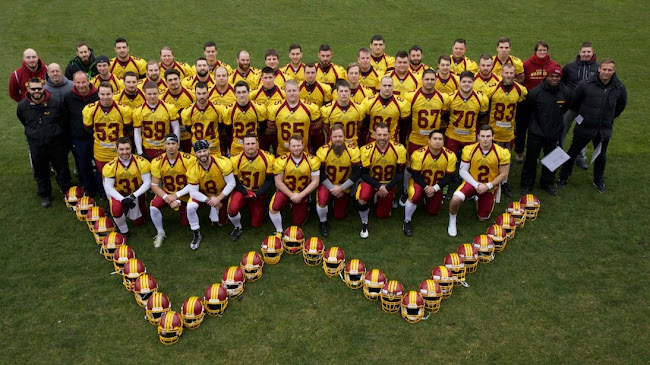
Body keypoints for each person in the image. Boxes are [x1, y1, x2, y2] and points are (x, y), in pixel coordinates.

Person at [558, 58, 627, 194]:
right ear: (599, 69)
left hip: (603, 129)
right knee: (573, 151)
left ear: (614, 71)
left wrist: (608, 118)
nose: (606, 72)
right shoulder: (585, 84)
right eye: (604, 69)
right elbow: (575, 103)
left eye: (610, 70)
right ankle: (563, 177)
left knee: (601, 155)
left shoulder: (619, 87)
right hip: (585, 126)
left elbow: (620, 106)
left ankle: (598, 180)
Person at [16, 78, 71, 207]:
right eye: (33, 89)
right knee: (40, 170)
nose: (36, 91)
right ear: (28, 90)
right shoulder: (23, 106)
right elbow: (23, 120)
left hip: (55, 143)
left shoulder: (55, 103)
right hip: (36, 145)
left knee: (61, 168)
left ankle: (66, 190)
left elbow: (63, 120)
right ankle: (45, 194)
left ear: (43, 88)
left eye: (39, 88)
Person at [448, 125, 510, 236]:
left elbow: (504, 174)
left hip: (489, 186)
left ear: (493, 137)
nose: (485, 139)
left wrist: (488, 186)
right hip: (472, 182)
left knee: (482, 218)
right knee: (456, 199)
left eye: (488, 136)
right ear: (478, 137)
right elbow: (462, 172)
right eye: (482, 136)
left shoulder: (502, 152)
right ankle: (452, 221)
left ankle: (478, 197)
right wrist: (477, 185)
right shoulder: (469, 149)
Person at [519, 66, 572, 196]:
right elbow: (527, 111)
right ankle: (527, 184)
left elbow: (566, 108)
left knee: (552, 161)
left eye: (557, 77)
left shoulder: (565, 92)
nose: (554, 79)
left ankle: (547, 183)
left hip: (554, 134)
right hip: (536, 133)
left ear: (560, 78)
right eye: (552, 76)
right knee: (531, 160)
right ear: (546, 77)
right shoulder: (535, 93)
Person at [401, 69, 450, 204]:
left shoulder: (442, 97)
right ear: (421, 80)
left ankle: (432, 190)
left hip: (435, 140)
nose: (429, 82)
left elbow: (444, 113)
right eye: (427, 79)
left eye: (432, 79)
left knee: (434, 166)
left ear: (436, 80)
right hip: (416, 137)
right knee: (410, 166)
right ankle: (406, 191)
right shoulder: (411, 96)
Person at [355, 123, 406, 238]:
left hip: (388, 183)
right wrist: (379, 186)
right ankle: (364, 223)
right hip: (371, 182)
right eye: (379, 134)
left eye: (384, 134)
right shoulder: (366, 150)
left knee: (382, 215)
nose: (382, 137)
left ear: (390, 134)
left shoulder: (399, 149)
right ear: (374, 134)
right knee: (363, 197)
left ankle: (386, 198)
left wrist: (386, 188)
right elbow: (364, 174)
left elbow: (400, 174)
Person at [484, 63, 528, 198]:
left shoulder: (520, 90)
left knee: (506, 159)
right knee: (491, 158)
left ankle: (504, 183)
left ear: (514, 74)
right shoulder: (492, 89)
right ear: (501, 73)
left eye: (511, 73)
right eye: (506, 73)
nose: (509, 75)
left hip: (508, 132)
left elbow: (522, 103)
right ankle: (491, 181)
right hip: (494, 131)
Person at [403, 130, 456, 236]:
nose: (437, 141)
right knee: (415, 195)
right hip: (420, 183)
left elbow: (449, 176)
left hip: (436, 185)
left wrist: (435, 188)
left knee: (433, 211)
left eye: (440, 139)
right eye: (435, 139)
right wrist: (427, 187)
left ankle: (426, 198)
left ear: (443, 141)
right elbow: (416, 175)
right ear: (429, 141)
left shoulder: (450, 155)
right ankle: (407, 221)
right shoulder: (419, 154)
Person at [149, 134, 197, 247]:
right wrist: (168, 199)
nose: (171, 146)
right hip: (167, 193)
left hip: (185, 193)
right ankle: (160, 232)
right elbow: (154, 185)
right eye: (168, 144)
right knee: (153, 206)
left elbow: (193, 183)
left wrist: (176, 195)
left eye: (173, 143)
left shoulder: (189, 160)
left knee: (185, 223)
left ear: (178, 144)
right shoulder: (157, 161)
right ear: (164, 145)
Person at [187, 140, 236, 250]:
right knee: (190, 206)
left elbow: (231, 183)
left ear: (209, 150)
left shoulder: (222, 163)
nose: (202, 154)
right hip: (205, 195)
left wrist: (218, 198)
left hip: (221, 194)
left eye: (204, 150)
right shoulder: (193, 169)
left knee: (222, 223)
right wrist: (210, 200)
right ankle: (196, 234)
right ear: (195, 154)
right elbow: (193, 192)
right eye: (199, 152)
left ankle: (218, 211)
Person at [516, 41, 560, 163]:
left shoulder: (553, 65)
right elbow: (520, 80)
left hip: (543, 104)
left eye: (544, 50)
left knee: (537, 129)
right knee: (521, 127)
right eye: (540, 50)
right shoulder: (526, 65)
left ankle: (534, 153)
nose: (542, 52)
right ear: (535, 51)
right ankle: (519, 151)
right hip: (526, 102)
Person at [268, 135, 321, 233]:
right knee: (274, 207)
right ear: (289, 147)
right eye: (293, 146)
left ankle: (305, 206)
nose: (296, 148)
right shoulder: (281, 161)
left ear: (303, 145)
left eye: (298, 145)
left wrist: (300, 195)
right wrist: (292, 195)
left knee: (298, 222)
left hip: (302, 192)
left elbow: (315, 182)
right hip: (286, 191)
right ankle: (279, 230)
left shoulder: (312, 160)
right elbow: (278, 182)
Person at [315, 124, 361, 236]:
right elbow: (319, 173)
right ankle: (323, 222)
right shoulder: (323, 151)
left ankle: (342, 199)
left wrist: (341, 188)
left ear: (344, 136)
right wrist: (332, 188)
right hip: (328, 185)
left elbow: (357, 173)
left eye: (340, 136)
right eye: (335, 137)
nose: (338, 139)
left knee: (339, 216)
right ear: (330, 137)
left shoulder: (353, 151)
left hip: (344, 186)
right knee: (322, 199)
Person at [228, 133, 275, 240]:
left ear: (258, 144)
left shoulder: (268, 158)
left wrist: (257, 193)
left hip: (258, 191)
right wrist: (245, 192)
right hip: (242, 189)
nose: (250, 146)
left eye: (253, 143)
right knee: (232, 209)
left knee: (256, 224)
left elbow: (269, 180)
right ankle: (237, 227)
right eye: (248, 144)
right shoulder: (235, 159)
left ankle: (263, 206)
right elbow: (234, 180)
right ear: (243, 145)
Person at [561, 42, 600, 170]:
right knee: (562, 130)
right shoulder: (569, 67)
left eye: (588, 52)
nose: (586, 54)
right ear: (579, 52)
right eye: (584, 52)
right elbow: (561, 82)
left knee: (582, 134)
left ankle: (580, 157)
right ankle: (559, 156)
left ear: (593, 52)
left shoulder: (598, 68)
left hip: (586, 109)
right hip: (570, 107)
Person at [102, 137, 151, 236]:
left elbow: (147, 183)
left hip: (136, 193)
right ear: (117, 150)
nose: (125, 152)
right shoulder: (111, 166)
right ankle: (124, 231)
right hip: (119, 193)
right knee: (116, 209)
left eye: (127, 149)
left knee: (140, 221)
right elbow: (108, 187)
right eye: (121, 149)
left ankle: (129, 210)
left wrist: (133, 196)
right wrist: (122, 199)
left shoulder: (141, 162)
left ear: (131, 148)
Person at [83, 82, 133, 178]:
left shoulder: (123, 109)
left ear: (113, 93)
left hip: (119, 151)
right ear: (98, 94)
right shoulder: (90, 109)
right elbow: (88, 129)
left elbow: (128, 129)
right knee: (104, 177)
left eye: (108, 94)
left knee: (122, 175)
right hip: (101, 151)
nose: (105, 97)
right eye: (102, 94)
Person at [63, 71, 100, 197]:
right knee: (83, 165)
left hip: (96, 137)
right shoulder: (68, 97)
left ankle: (102, 190)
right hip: (79, 138)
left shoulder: (98, 95)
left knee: (99, 165)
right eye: (78, 82)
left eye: (83, 82)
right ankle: (89, 189)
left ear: (88, 81)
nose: (81, 85)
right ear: (73, 82)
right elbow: (65, 118)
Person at [267, 80, 321, 155]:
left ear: (299, 90)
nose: (292, 93)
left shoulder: (310, 107)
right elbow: (272, 127)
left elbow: (316, 127)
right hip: (282, 151)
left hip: (303, 151)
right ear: (285, 91)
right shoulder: (274, 107)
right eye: (289, 91)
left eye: (294, 90)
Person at [444, 71, 489, 156]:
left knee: (469, 162)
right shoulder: (450, 97)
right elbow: (445, 115)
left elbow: (482, 117)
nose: (466, 84)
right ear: (459, 82)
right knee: (449, 160)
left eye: (469, 82)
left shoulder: (481, 98)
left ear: (473, 83)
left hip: (470, 136)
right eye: (464, 82)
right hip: (452, 135)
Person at [133, 82, 180, 160]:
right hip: (147, 148)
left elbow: (176, 127)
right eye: (149, 94)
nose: (152, 96)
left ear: (159, 93)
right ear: (144, 93)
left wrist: (177, 146)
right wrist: (140, 152)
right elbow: (137, 131)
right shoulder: (138, 111)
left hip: (165, 147)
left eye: (155, 93)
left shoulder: (169, 108)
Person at [222, 81, 267, 156]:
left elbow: (262, 128)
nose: (242, 95)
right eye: (239, 92)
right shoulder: (229, 110)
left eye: (244, 92)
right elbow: (228, 130)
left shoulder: (258, 108)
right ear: (235, 93)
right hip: (237, 145)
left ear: (248, 92)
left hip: (252, 144)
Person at [361, 76, 410, 143]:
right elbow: (365, 124)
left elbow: (404, 127)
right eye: (384, 85)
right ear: (380, 86)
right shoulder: (369, 101)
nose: (387, 88)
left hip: (392, 140)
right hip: (373, 139)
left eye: (389, 86)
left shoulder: (402, 103)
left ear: (393, 87)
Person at [181, 82, 225, 156]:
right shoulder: (188, 111)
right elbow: (188, 128)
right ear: (195, 93)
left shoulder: (218, 109)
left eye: (204, 93)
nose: (202, 96)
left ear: (208, 93)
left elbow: (222, 127)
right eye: (199, 93)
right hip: (197, 148)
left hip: (214, 147)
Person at [321, 80, 367, 147]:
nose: (344, 94)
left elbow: (359, 125)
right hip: (334, 144)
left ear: (350, 92)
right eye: (341, 91)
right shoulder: (327, 109)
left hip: (352, 144)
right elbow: (326, 128)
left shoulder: (359, 108)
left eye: (346, 91)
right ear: (337, 92)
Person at [161, 69, 196, 153]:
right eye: (170, 80)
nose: (173, 82)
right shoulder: (161, 97)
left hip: (188, 135)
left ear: (180, 79)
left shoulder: (191, 95)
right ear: (166, 82)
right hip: (170, 136)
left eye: (175, 79)